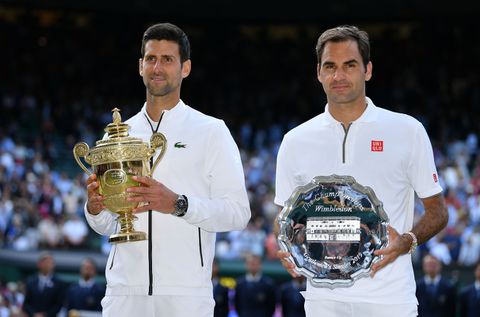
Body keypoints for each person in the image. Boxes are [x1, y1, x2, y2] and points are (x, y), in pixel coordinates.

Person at [275, 25, 448, 317]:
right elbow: (284, 218)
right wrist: (286, 247)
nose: (338, 76)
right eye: (330, 66)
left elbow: (438, 212)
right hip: (322, 302)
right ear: (318, 72)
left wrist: (406, 242)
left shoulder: (407, 130)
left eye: (349, 65)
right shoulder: (295, 140)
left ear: (367, 70)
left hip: (390, 300)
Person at [84, 22, 250, 317]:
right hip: (123, 292)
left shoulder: (212, 131)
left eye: (167, 59)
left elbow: (238, 213)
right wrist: (95, 209)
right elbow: (108, 225)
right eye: (151, 58)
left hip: (185, 295)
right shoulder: (116, 136)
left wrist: (178, 204)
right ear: (140, 66)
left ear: (185, 68)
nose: (157, 67)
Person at [22, 252, 66, 317]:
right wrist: (34, 314)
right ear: (39, 264)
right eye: (44, 262)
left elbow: (59, 304)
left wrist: (46, 315)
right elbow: (26, 304)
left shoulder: (59, 283)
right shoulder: (31, 282)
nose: (47, 264)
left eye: (50, 262)